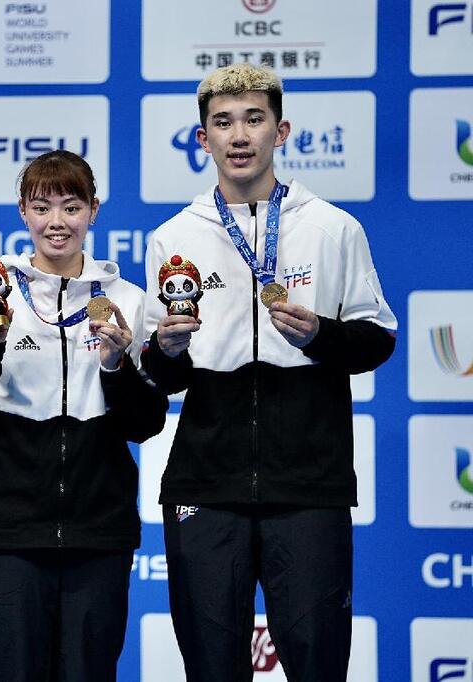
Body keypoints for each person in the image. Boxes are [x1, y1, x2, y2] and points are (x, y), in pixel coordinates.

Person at [141, 64, 397, 682]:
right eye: (223, 122)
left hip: (308, 483)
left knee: (317, 664)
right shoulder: (173, 237)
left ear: (280, 132)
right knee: (211, 667)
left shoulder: (333, 227)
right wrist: (166, 350)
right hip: (206, 483)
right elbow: (160, 376)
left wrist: (320, 336)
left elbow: (377, 339)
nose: (239, 136)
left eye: (254, 120)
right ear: (202, 138)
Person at [0, 150, 169, 681]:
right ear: (23, 211)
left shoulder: (129, 301)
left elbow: (145, 424)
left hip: (99, 532)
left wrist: (115, 366)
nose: (57, 222)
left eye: (71, 206)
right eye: (42, 208)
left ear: (94, 211)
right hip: (8, 533)